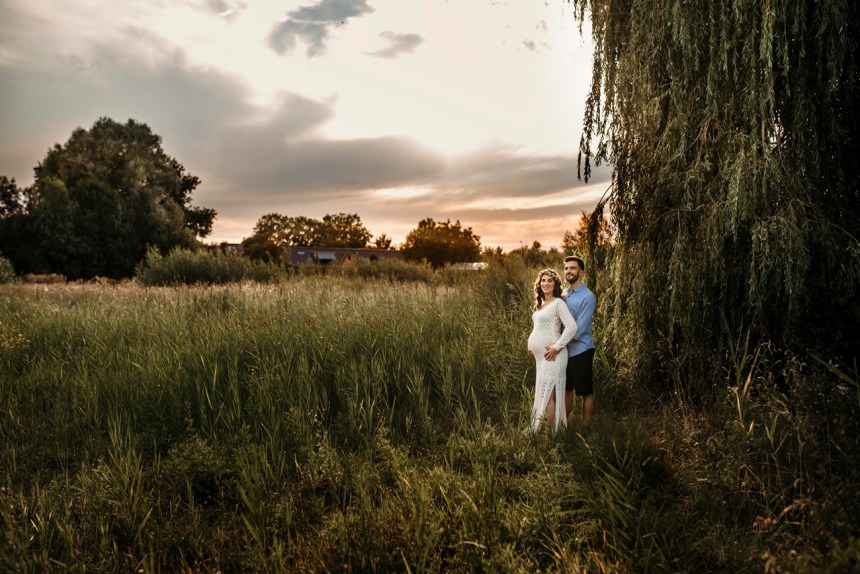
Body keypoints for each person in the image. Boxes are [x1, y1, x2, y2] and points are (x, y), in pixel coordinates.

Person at [547, 255, 597, 423]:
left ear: (581, 272)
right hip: (563, 350)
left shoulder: (588, 297)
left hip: (581, 349)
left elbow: (577, 331)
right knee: (566, 389)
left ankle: (586, 428)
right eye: (566, 268)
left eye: (573, 268)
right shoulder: (562, 294)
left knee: (585, 391)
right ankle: (563, 424)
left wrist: (557, 344)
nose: (569, 271)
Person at [528, 269, 578, 433]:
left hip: (553, 356)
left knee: (549, 394)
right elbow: (539, 328)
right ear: (539, 284)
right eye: (543, 281)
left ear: (555, 284)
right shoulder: (541, 305)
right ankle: (547, 430)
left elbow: (571, 327)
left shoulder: (558, 303)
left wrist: (557, 347)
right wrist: (531, 344)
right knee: (544, 393)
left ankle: (550, 435)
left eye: (550, 280)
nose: (546, 283)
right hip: (541, 357)